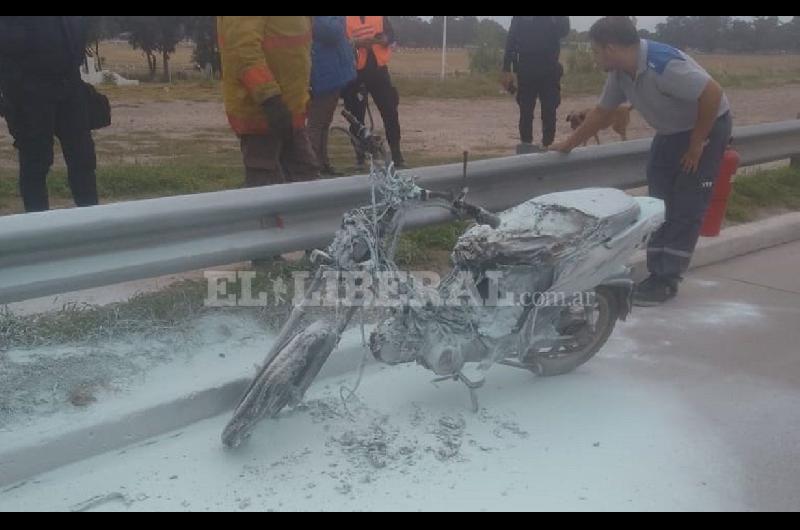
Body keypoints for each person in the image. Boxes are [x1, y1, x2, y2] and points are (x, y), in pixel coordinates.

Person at [550, 16, 733, 306]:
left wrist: (697, 143)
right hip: (671, 132)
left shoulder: (664, 64)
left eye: (596, 51)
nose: (595, 58)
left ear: (610, 48)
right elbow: (600, 113)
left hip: (705, 128)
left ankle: (666, 279)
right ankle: (656, 268)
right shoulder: (621, 73)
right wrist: (567, 145)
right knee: (659, 201)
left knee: (686, 202)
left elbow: (712, 93)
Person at [0, 16, 99, 213]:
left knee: (83, 157)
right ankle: (38, 227)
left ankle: (92, 220)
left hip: (70, 86)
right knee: (35, 162)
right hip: (30, 93)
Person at [217, 16, 320, 187]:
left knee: (306, 183)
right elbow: (243, 52)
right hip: (263, 114)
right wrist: (270, 99)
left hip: (290, 112)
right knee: (265, 187)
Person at [342, 16, 405, 168]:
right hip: (355, 72)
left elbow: (391, 34)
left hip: (378, 71)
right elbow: (338, 41)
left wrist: (385, 39)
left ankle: (397, 155)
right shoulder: (344, 18)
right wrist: (355, 43)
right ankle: (360, 158)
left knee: (390, 111)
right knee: (356, 117)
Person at [502, 16, 571, 154]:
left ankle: (548, 146)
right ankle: (526, 147)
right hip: (526, 68)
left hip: (549, 68)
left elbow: (564, 31)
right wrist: (506, 69)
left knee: (550, 109)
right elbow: (511, 38)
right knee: (525, 110)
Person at [308, 16, 357, 176]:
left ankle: (322, 163)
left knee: (323, 122)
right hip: (325, 73)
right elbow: (332, 31)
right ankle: (313, 166)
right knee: (317, 123)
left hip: (331, 72)